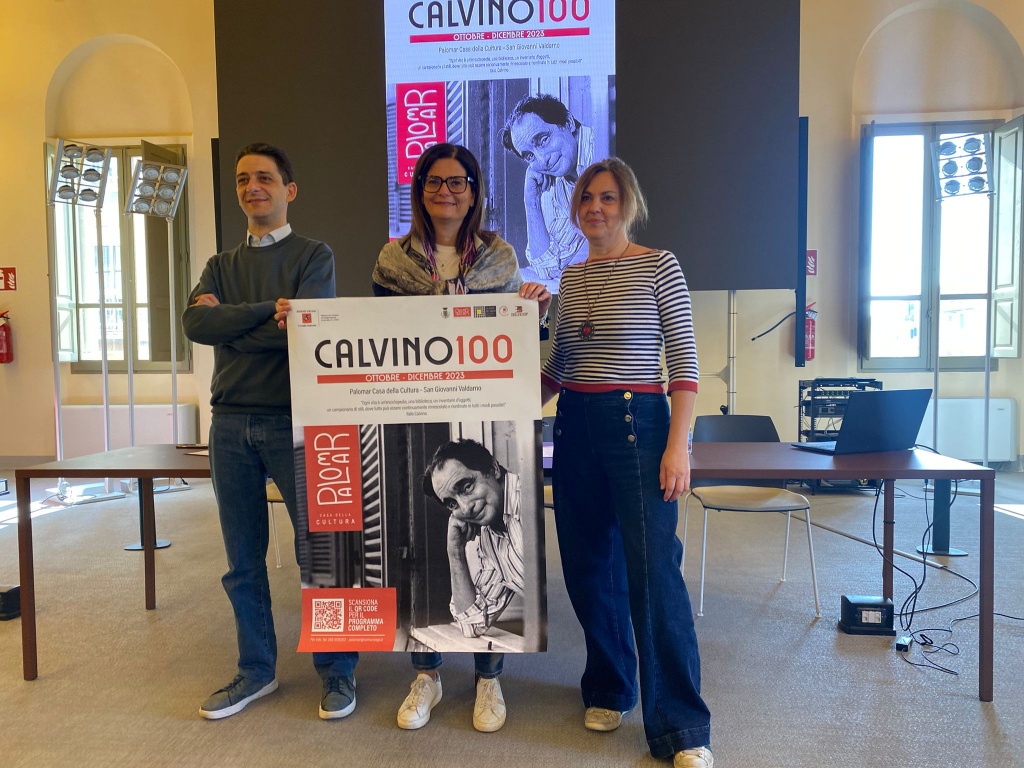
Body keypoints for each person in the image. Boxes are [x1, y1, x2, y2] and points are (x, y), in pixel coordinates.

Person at [540, 157, 714, 768]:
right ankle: (610, 687)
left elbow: (684, 363)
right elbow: (558, 368)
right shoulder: (570, 278)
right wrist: (491, 401)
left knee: (653, 572)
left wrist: (678, 445)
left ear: (628, 204)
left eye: (608, 197)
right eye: (587, 197)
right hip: (574, 426)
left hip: (638, 423)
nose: (596, 207)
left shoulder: (659, 265)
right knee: (588, 567)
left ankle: (681, 726)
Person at [371, 142, 550, 733]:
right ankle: (426, 674)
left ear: (474, 192)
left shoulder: (501, 257)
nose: (446, 191)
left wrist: (533, 310)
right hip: (413, 406)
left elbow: (518, 340)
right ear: (420, 190)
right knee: (430, 545)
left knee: (486, 557)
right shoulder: (392, 261)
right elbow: (376, 338)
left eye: (458, 182)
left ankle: (488, 679)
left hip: (482, 399)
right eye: (434, 181)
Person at [183, 143, 358, 721]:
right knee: (242, 561)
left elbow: (306, 333)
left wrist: (229, 323)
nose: (251, 187)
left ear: (290, 190)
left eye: (264, 177)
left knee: (323, 555)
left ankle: (337, 671)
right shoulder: (219, 264)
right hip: (229, 424)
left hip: (296, 421)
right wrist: (267, 312)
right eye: (242, 179)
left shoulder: (314, 255)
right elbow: (195, 322)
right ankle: (255, 671)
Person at [500, 93, 595, 285]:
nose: (542, 160)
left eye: (543, 140)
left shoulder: (601, 146)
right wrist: (531, 201)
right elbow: (549, 268)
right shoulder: (561, 185)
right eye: (530, 156)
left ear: (568, 123)